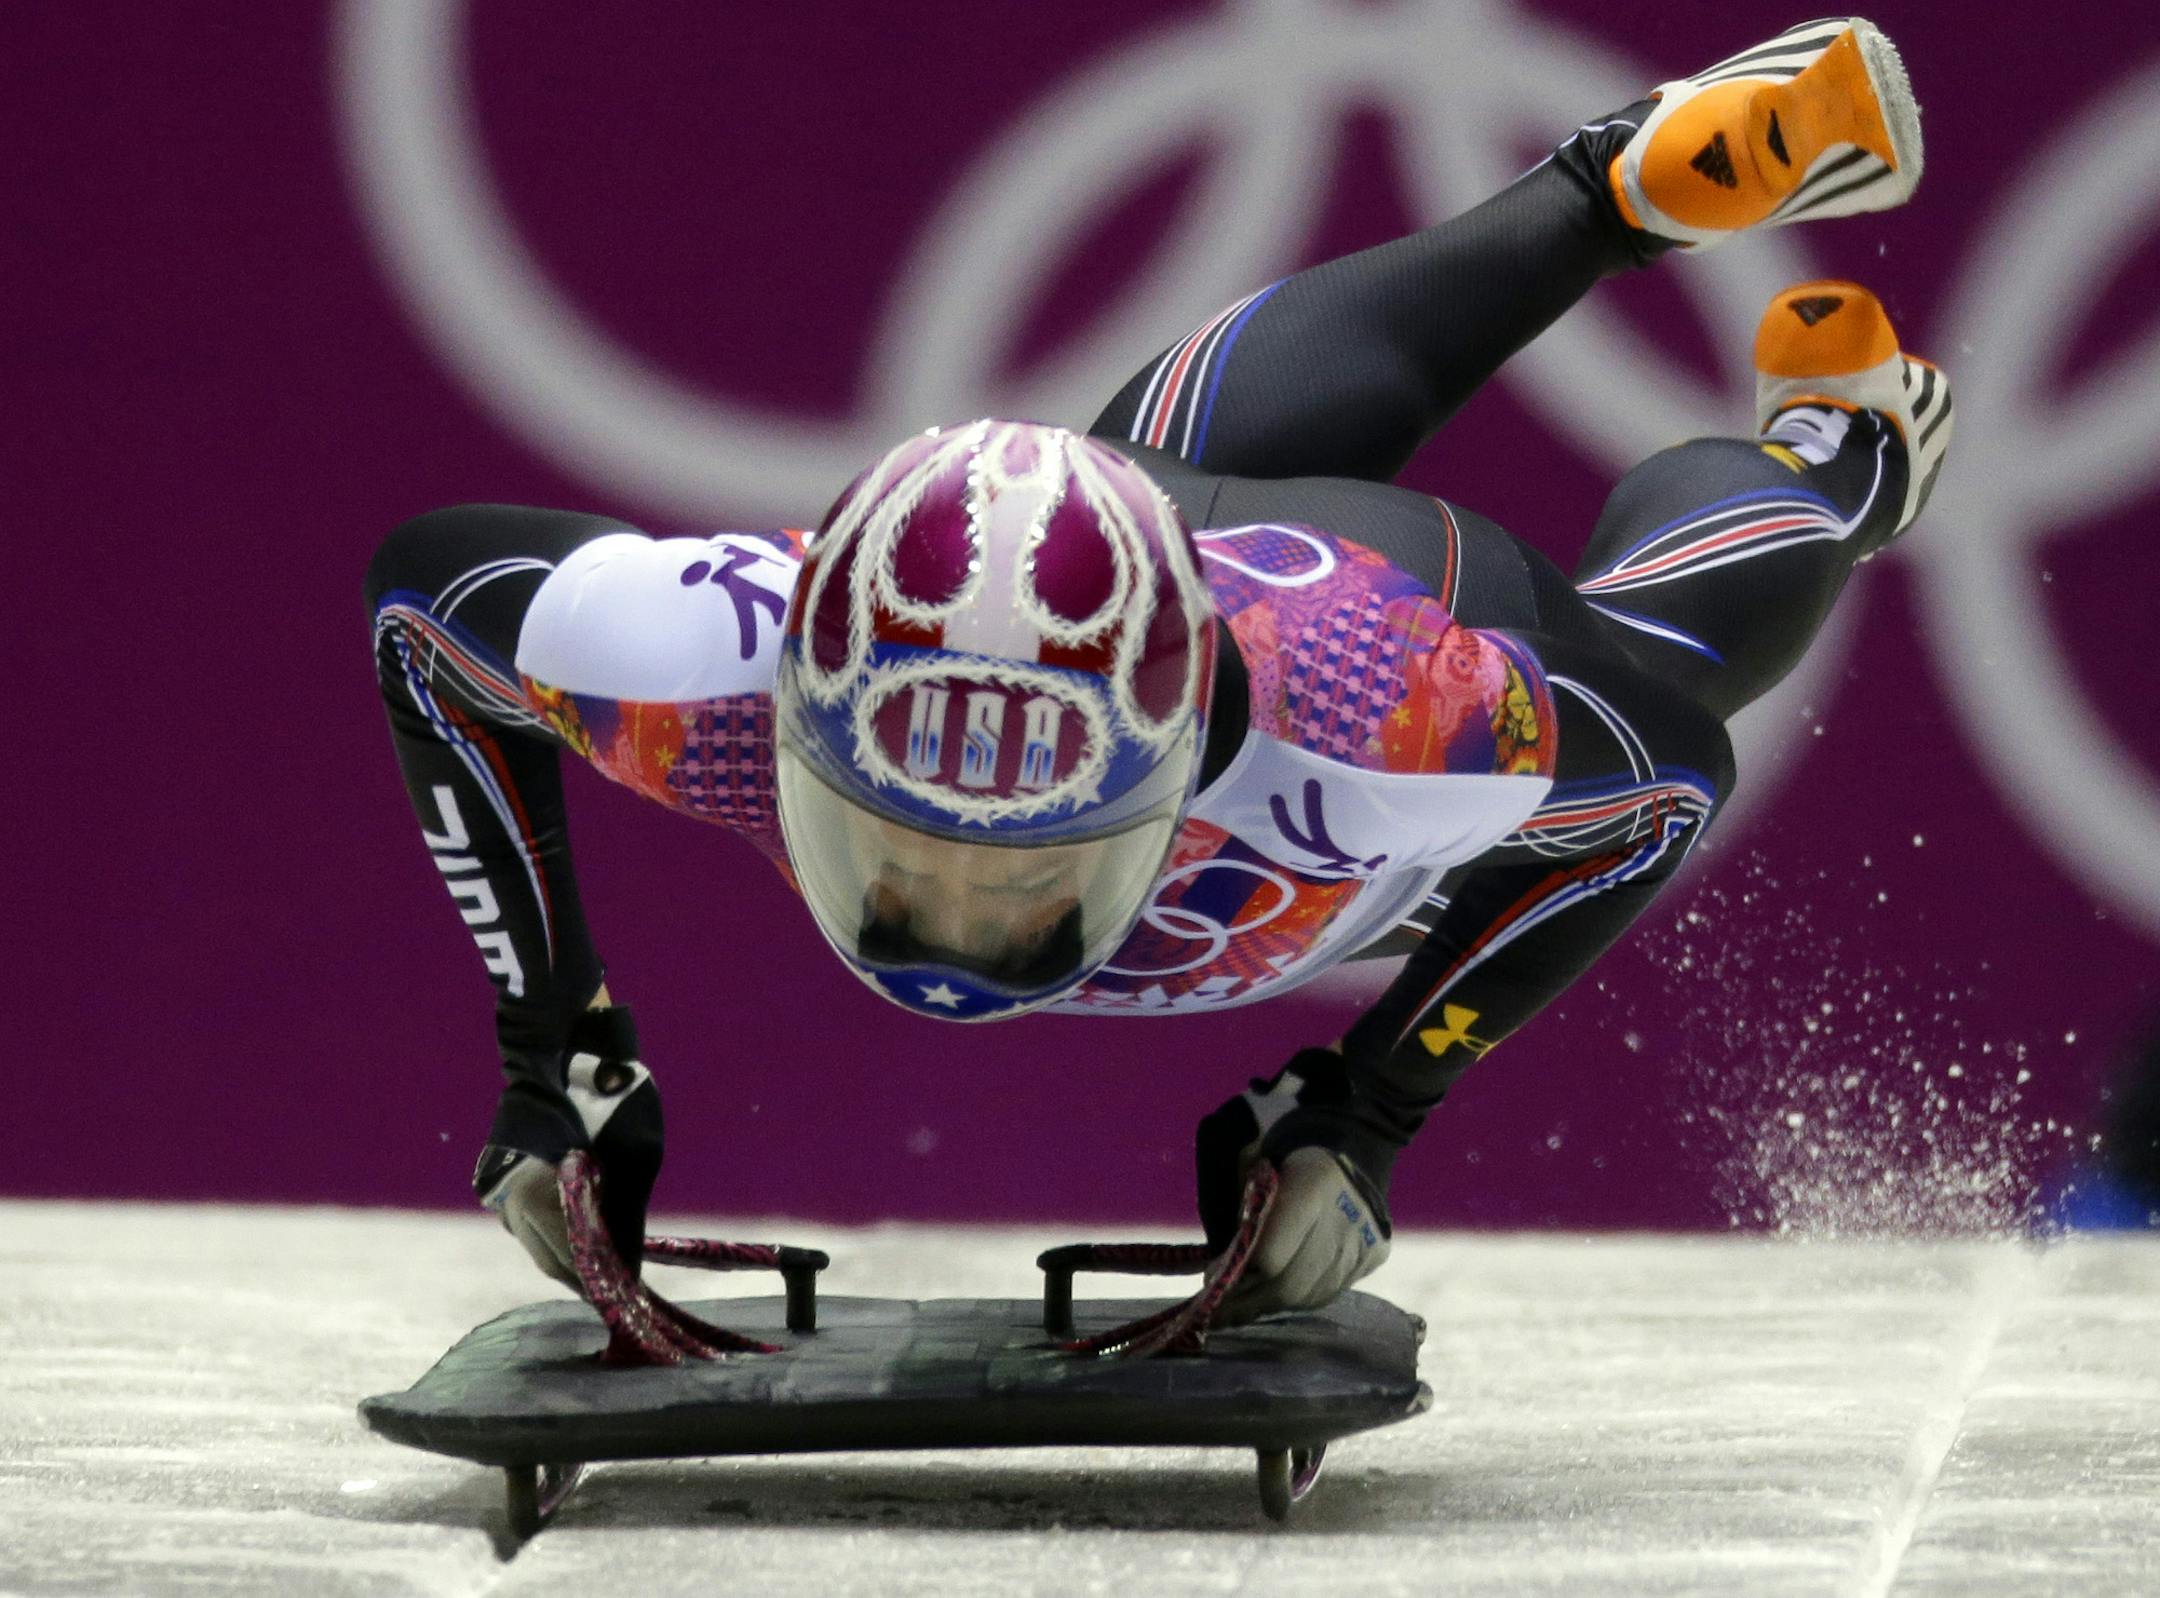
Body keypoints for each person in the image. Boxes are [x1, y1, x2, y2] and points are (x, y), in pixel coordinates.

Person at [365, 19, 1950, 1318]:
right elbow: (419, 612)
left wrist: (1371, 1104)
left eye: (1019, 868)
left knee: (1660, 660)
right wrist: (550, 1040)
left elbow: (1668, 786)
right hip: (1141, 513)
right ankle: (1613, 186)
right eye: (907, 846)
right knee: (1136, 463)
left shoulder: (1392, 722)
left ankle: (1845, 445)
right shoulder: (709, 661)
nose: (959, 921)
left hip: (1363, 603)